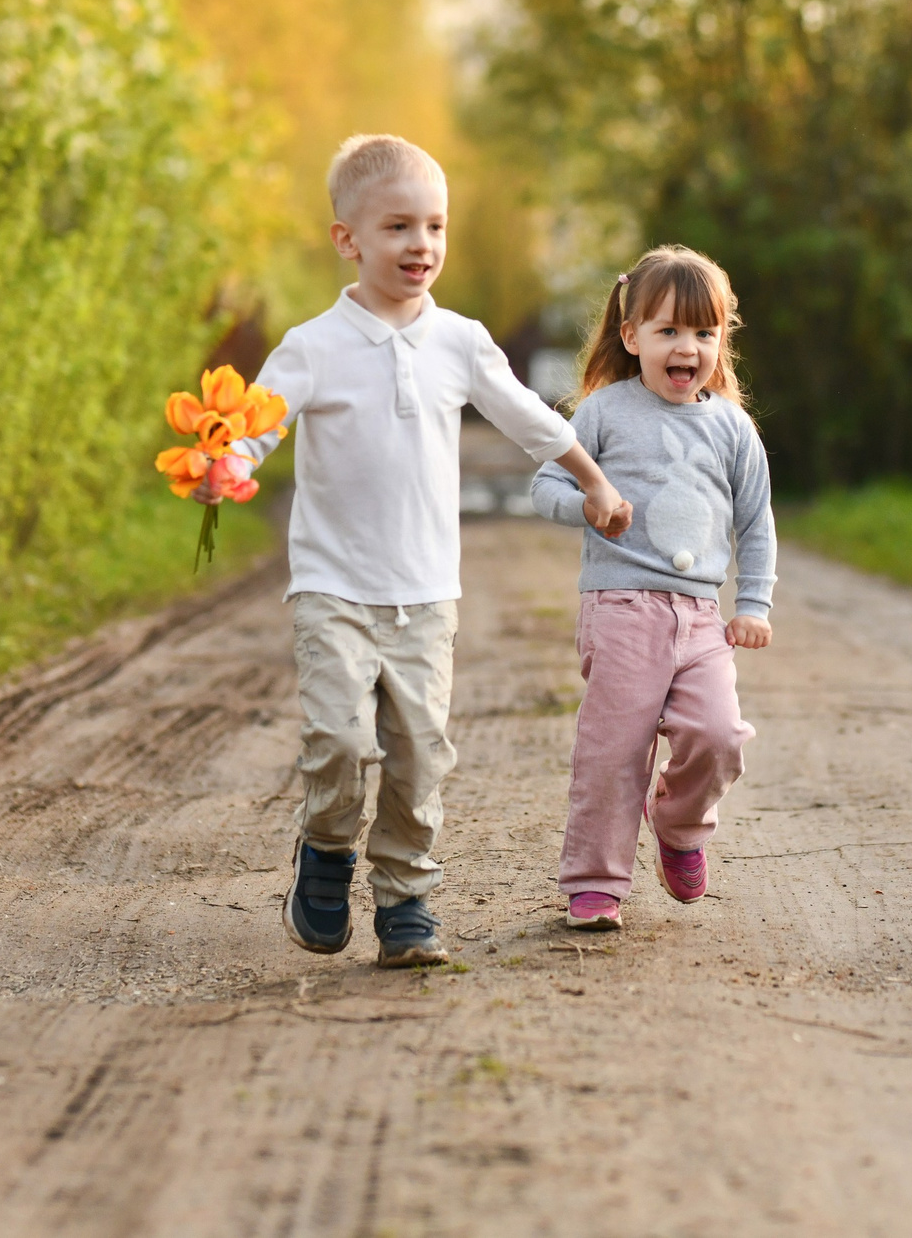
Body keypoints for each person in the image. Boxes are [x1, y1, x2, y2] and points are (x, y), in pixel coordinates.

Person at [204, 135, 632, 967]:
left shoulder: (460, 341)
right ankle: (326, 853)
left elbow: (529, 419)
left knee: (419, 753)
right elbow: (255, 429)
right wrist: (223, 468)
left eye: (435, 227)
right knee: (338, 739)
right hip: (333, 585)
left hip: (426, 593)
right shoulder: (313, 345)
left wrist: (594, 480)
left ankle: (404, 898)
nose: (422, 246)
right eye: (399, 227)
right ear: (348, 239)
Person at [531, 245, 773, 932]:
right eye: (668, 331)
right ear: (632, 335)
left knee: (720, 734)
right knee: (613, 748)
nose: (687, 347)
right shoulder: (604, 413)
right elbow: (547, 485)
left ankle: (678, 822)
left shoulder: (731, 427)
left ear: (721, 339)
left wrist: (753, 602)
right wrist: (586, 503)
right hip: (621, 610)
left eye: (704, 332)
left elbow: (756, 522)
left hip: (700, 617)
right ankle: (595, 881)